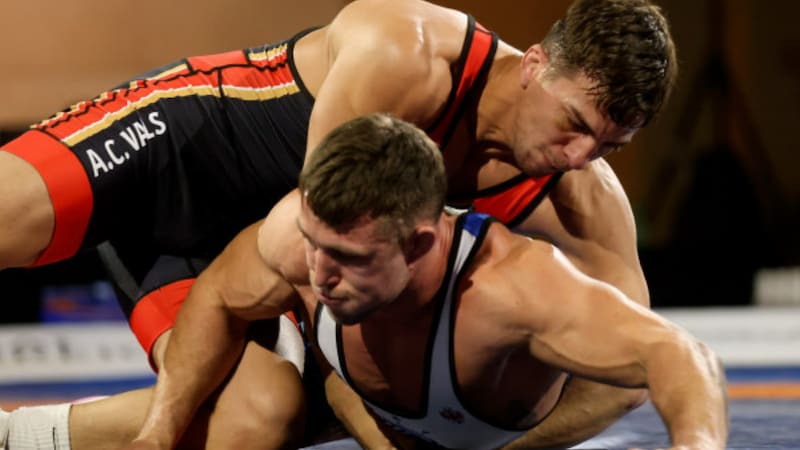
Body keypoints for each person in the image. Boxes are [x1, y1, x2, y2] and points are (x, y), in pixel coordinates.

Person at [0, 0, 676, 447]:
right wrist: (388, 437)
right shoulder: (408, 55)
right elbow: (314, 255)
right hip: (178, 145)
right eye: (575, 125)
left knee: (260, 418)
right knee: (10, 218)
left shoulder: (581, 196)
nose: (579, 156)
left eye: (609, 147)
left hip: (258, 246)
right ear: (533, 65)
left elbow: (633, 371)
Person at [126, 113, 728, 450]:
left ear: (418, 244)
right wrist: (158, 436)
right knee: (253, 418)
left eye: (347, 257)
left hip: (459, 419)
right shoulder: (297, 243)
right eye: (315, 244)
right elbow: (218, 297)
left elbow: (677, 353)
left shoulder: (512, 287)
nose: (320, 275)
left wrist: (697, 444)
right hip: (353, 394)